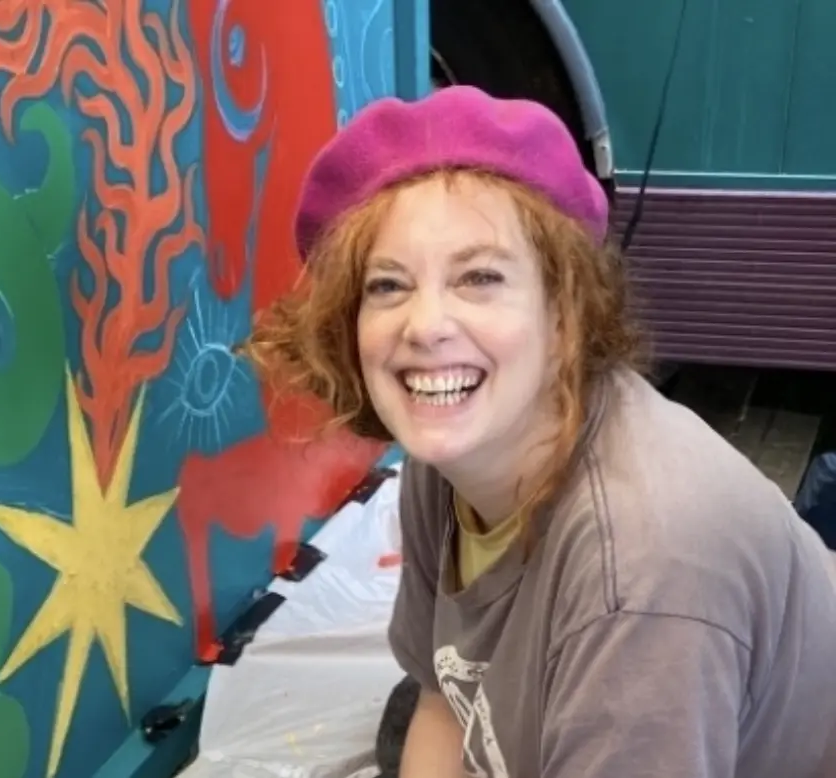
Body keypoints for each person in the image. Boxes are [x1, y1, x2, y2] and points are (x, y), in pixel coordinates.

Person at [244, 85, 836, 778]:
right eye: (388, 286)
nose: (426, 325)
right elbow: (444, 695)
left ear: (566, 316)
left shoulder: (643, 572)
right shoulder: (457, 455)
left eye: (480, 277)